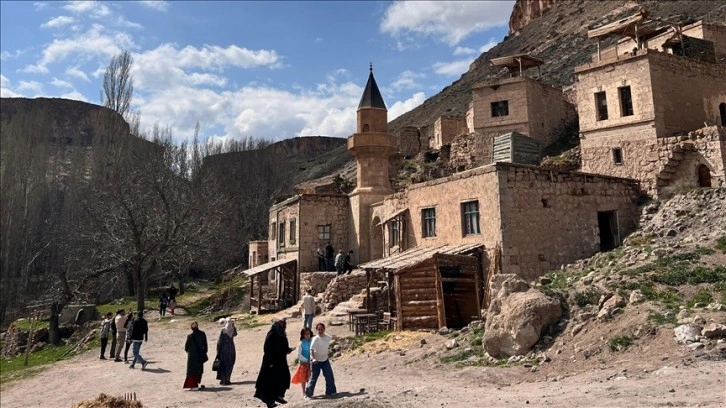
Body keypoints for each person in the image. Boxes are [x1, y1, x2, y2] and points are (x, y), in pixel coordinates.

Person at [254, 319, 294, 408]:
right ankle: (270, 401)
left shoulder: (282, 334)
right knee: (270, 382)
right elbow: (267, 348)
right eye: (282, 325)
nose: (283, 327)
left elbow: (283, 346)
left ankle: (278, 396)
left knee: (284, 377)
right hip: (271, 362)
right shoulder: (272, 334)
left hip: (281, 361)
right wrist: (270, 362)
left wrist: (288, 350)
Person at [305, 322, 337, 399]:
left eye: (321, 329)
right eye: (318, 329)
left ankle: (331, 391)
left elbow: (331, 338)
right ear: (316, 330)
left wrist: (335, 337)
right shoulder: (315, 339)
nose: (320, 331)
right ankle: (308, 394)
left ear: (324, 329)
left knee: (329, 376)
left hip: (325, 360)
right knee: (313, 378)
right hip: (316, 361)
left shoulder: (326, 337)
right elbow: (311, 350)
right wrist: (313, 359)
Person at [184, 321, 208, 390]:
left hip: (192, 356)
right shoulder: (202, 334)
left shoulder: (190, 336)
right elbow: (205, 345)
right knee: (199, 370)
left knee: (192, 371)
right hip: (200, 354)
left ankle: (193, 385)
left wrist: (189, 352)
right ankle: (197, 383)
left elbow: (186, 347)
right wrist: (204, 353)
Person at [291, 327, 313, 398]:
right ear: (302, 335)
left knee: (309, 377)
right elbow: (299, 354)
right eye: (305, 334)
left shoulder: (311, 341)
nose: (307, 335)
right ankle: (303, 392)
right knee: (303, 378)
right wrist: (305, 360)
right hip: (303, 364)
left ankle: (308, 391)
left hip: (310, 363)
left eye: (308, 334)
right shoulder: (300, 343)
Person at [216, 318, 237, 385]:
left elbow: (220, 341)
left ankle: (223, 379)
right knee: (230, 364)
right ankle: (227, 379)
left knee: (223, 364)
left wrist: (218, 349)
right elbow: (236, 334)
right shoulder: (233, 329)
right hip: (231, 348)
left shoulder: (223, 330)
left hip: (223, 349)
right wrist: (233, 325)